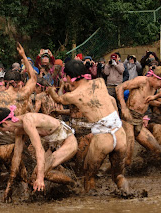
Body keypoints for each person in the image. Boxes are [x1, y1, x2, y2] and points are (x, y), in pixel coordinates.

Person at [48, 59, 129, 193]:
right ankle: (129, 196)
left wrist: (51, 91)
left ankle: (90, 203)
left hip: (103, 138)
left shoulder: (73, 96)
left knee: (89, 177)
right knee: (118, 176)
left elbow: (58, 99)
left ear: (68, 77)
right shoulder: (100, 82)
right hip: (120, 134)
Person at [0, 44, 37, 201]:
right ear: (18, 83)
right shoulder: (21, 96)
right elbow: (34, 78)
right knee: (20, 170)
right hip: (10, 140)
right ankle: (24, 195)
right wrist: (23, 56)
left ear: (5, 82)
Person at [0, 106, 77, 192]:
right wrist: (9, 185)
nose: (3, 131)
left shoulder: (28, 121)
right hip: (53, 145)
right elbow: (16, 156)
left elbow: (39, 150)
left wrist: (40, 178)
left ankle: (74, 185)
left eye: (0, 128)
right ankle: (69, 186)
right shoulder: (18, 131)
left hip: (68, 141)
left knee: (41, 174)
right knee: (34, 178)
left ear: (6, 123)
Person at [116, 66, 161, 166]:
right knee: (127, 159)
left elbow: (146, 100)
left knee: (158, 151)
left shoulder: (154, 87)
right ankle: (108, 173)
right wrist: (123, 108)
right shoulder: (142, 80)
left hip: (139, 121)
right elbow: (119, 87)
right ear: (155, 78)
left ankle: (144, 165)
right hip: (128, 120)